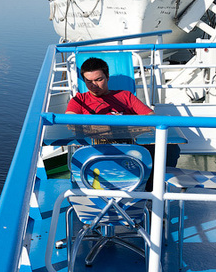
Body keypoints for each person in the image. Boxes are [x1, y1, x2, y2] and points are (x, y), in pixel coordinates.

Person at [67, 57, 178, 190]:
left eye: (98, 80)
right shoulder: (80, 100)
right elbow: (69, 121)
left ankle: (150, 193)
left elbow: (151, 117)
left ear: (107, 77)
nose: (94, 86)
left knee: (170, 148)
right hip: (95, 148)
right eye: (88, 81)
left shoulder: (125, 96)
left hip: (126, 145)